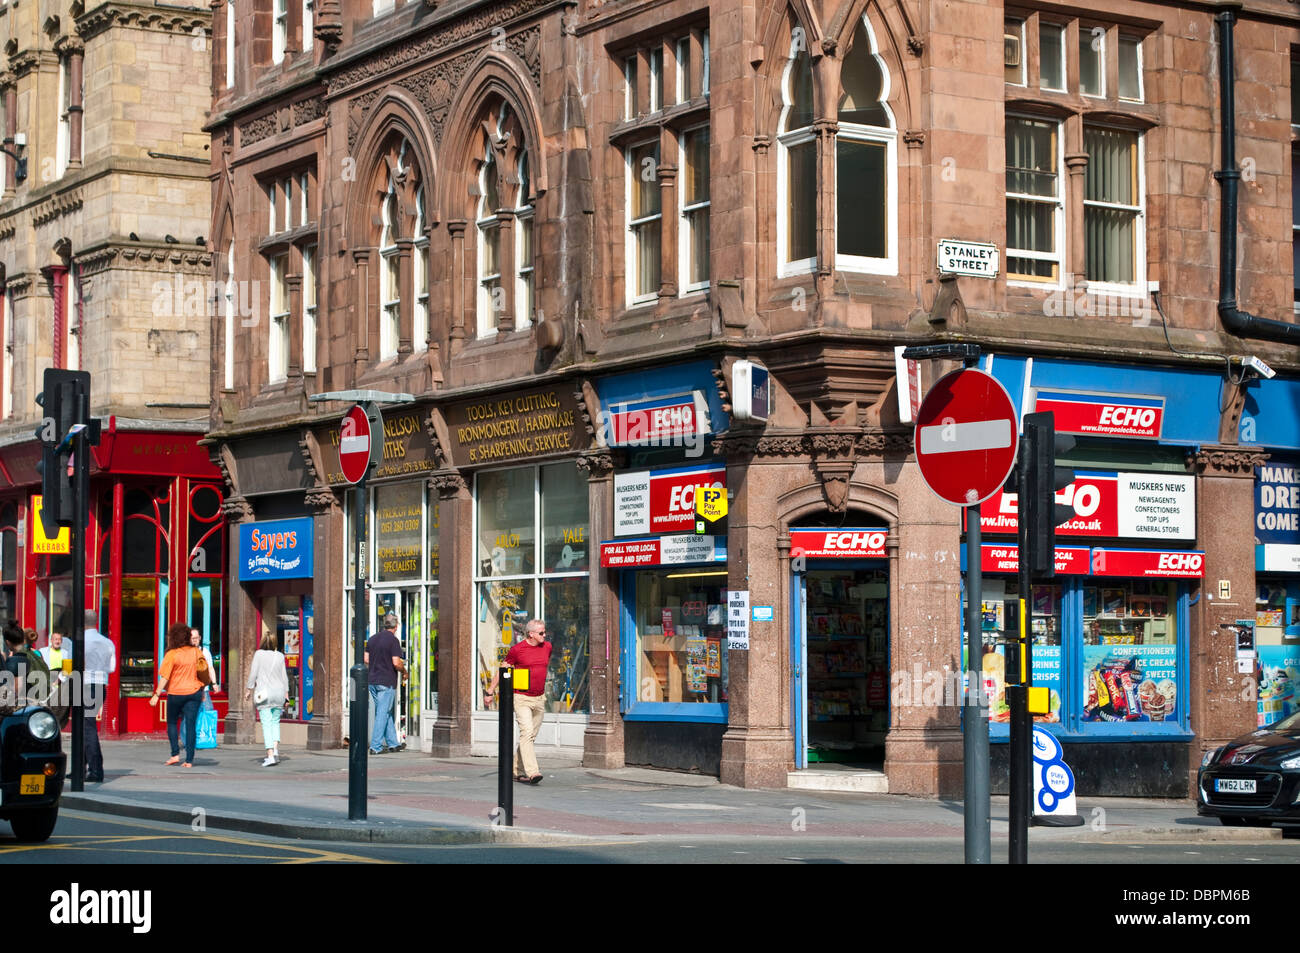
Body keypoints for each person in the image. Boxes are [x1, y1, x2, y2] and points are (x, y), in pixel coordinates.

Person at [485, 618, 552, 784]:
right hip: (521, 697)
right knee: (527, 732)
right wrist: (490, 690)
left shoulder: (547, 647)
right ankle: (532, 772)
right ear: (531, 634)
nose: (545, 635)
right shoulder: (517, 650)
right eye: (541, 633)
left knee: (530, 736)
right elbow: (503, 669)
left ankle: (515, 769)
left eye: (545, 632)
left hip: (539, 697)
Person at [149, 622, 208, 768]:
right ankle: (189, 760)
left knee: (172, 723)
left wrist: (156, 694)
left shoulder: (172, 654)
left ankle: (175, 754)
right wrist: (203, 689)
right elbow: (203, 671)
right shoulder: (196, 652)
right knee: (190, 725)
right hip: (194, 691)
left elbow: (164, 677)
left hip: (176, 693)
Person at [364, 613, 406, 755]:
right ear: (396, 626)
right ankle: (375, 746)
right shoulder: (393, 641)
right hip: (386, 682)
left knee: (385, 711)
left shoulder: (372, 639)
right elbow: (396, 662)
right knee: (382, 713)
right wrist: (405, 670)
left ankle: (393, 743)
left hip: (373, 682)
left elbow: (366, 659)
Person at [245, 631, 288, 766]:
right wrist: (286, 694)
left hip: (264, 694)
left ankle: (270, 755)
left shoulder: (259, 654)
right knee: (275, 722)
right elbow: (284, 677)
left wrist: (249, 689)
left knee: (266, 723)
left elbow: (253, 674)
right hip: (279, 693)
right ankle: (275, 750)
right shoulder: (280, 656)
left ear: (263, 641)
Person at [82, 610, 115, 783]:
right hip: (100, 684)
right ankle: (81, 768)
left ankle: (95, 770)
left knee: (87, 727)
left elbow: (71, 666)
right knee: (86, 725)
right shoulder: (108, 642)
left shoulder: (79, 641)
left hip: (84, 684)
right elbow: (112, 668)